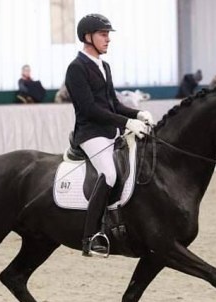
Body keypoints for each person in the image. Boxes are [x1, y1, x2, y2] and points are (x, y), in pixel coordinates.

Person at [65, 14, 153, 257]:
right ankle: (90, 237)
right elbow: (90, 109)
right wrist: (127, 123)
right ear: (87, 37)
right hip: (90, 133)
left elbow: (113, 103)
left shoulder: (104, 66)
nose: (108, 39)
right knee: (110, 174)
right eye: (103, 35)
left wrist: (138, 114)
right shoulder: (76, 68)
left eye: (108, 35)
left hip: (109, 131)